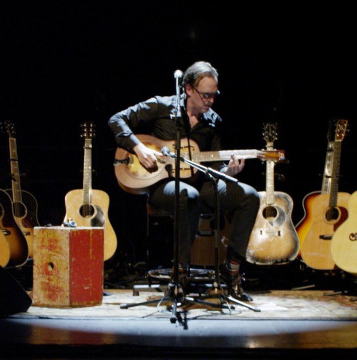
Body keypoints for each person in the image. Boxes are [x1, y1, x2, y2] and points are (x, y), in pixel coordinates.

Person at [108, 60, 259, 301]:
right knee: (186, 195)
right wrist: (139, 148)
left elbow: (215, 165)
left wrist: (227, 172)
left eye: (213, 95)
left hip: (203, 183)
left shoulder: (214, 121)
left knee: (249, 196)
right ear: (188, 89)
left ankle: (231, 271)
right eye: (205, 95)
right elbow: (117, 119)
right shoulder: (161, 106)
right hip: (163, 183)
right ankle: (180, 276)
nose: (210, 101)